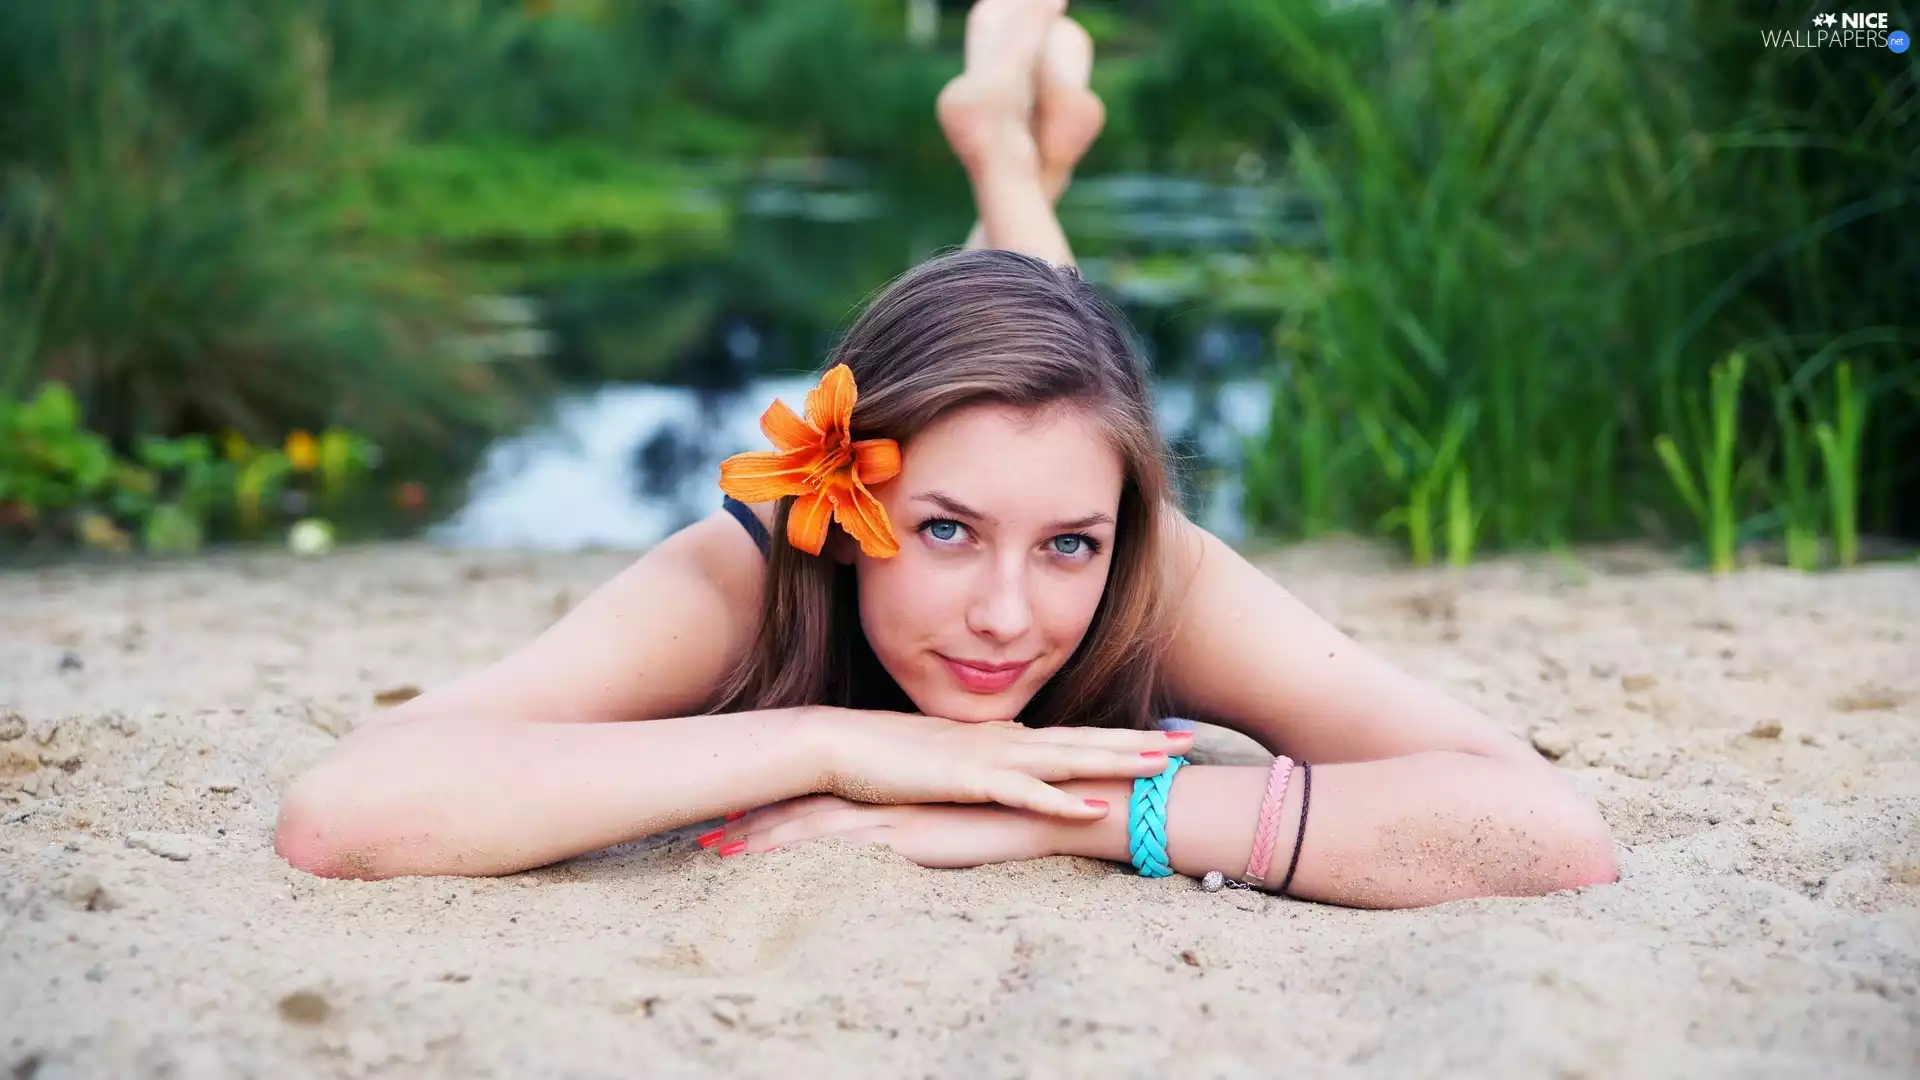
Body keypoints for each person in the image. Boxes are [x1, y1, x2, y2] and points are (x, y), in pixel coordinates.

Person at [274, 0, 1616, 908]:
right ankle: (1004, 154)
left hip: (1065, 453)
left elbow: (1543, 831)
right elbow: (347, 811)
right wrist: (834, 745)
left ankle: (1004, 147)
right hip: (859, 544)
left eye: (1069, 546)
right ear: (850, 499)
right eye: (941, 529)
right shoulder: (741, 574)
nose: (1004, 616)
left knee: (1057, 384)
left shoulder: (1155, 569)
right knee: (1036, 374)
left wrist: (1059, 815)